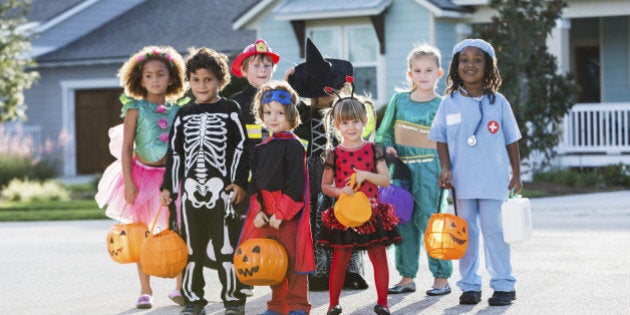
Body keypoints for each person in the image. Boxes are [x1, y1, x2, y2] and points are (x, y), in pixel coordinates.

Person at [428, 38, 523, 306]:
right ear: (456, 67)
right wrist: (445, 167)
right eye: (464, 60)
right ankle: (470, 285)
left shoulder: (499, 102)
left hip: (494, 181)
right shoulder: (449, 103)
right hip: (462, 181)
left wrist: (517, 173)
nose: (470, 65)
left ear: (488, 67)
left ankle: (504, 285)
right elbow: (441, 139)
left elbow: (511, 140)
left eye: (477, 60)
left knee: (495, 232)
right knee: (464, 233)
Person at [95, 45, 186, 309]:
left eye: (160, 74)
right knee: (141, 234)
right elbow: (126, 148)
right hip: (141, 176)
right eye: (149, 75)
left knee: (177, 231)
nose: (155, 80)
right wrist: (129, 181)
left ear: (171, 78)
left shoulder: (177, 110)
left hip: (170, 176)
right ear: (140, 79)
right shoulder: (135, 108)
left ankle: (179, 286)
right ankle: (145, 289)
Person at [160, 47, 249, 315]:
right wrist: (168, 186)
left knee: (225, 245)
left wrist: (238, 182)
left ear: (221, 81)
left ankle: (233, 299)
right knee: (191, 246)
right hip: (189, 189)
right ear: (189, 81)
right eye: (196, 79)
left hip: (221, 190)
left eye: (208, 79)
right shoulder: (184, 113)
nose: (201, 85)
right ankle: (193, 299)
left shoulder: (230, 109)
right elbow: (175, 153)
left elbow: (242, 147)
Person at [287, 38, 368, 291]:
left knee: (345, 219)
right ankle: (319, 272)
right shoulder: (303, 116)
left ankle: (349, 271)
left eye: (330, 92)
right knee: (316, 222)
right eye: (321, 94)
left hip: (341, 173)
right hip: (312, 174)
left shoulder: (343, 114)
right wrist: (290, 80)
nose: (326, 97)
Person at [375, 43, 453, 296]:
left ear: (439, 73)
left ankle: (441, 277)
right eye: (417, 71)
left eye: (429, 70)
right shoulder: (399, 100)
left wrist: (448, 171)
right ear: (410, 74)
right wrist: (388, 149)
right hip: (402, 173)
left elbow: (450, 140)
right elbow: (384, 133)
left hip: (431, 171)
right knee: (403, 223)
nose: (423, 76)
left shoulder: (443, 104)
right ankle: (406, 276)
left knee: (432, 222)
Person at [317, 81, 401, 315]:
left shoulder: (374, 150)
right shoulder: (334, 154)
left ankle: (382, 302)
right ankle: (334, 303)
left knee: (378, 258)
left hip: (371, 213)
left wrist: (366, 175)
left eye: (356, 121)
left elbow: (385, 180)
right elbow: (325, 186)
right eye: (345, 122)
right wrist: (339, 191)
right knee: (340, 259)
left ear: (365, 121)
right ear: (337, 125)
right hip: (345, 214)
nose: (351, 127)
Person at [238, 80, 314, 315]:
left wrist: (281, 214)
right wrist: (258, 211)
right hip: (266, 212)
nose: (273, 118)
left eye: (279, 113)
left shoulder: (294, 146)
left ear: (291, 115)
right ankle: (277, 304)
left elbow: (295, 184)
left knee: (291, 260)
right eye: (268, 112)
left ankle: (297, 304)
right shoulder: (261, 148)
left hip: (288, 214)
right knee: (273, 260)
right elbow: (255, 185)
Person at [229, 38, 280, 297]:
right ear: (243, 70)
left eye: (267, 64)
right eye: (256, 65)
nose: (262, 70)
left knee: (275, 228)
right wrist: (236, 181)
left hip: (276, 178)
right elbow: (232, 147)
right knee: (244, 228)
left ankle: (277, 278)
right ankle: (242, 280)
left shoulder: (282, 97)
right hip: (247, 179)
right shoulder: (235, 103)